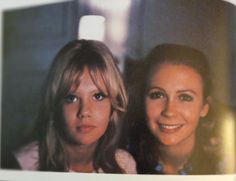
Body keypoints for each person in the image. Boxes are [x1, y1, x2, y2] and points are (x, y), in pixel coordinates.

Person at [13, 39, 136, 173]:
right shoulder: (24, 165)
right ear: (55, 105)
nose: (84, 111)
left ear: (114, 104)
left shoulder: (124, 165)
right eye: (72, 98)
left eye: (98, 96)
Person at [127, 43, 227, 174]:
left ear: (204, 107)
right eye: (157, 95)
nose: (169, 111)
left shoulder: (227, 164)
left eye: (185, 97)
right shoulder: (123, 163)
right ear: (142, 100)